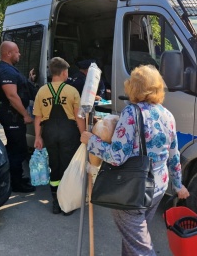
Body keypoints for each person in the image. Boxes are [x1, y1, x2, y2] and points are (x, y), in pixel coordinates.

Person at [81, 64, 190, 255]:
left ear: (133, 87)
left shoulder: (131, 113)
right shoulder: (168, 115)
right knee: (133, 239)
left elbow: (117, 156)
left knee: (140, 247)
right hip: (157, 188)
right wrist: (178, 184)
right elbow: (174, 155)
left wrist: (92, 142)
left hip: (133, 190)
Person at [33, 57, 86, 215]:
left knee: (54, 167)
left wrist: (38, 137)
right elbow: (79, 117)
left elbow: (38, 117)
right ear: (64, 73)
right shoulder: (72, 91)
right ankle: (66, 204)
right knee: (67, 167)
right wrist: (83, 134)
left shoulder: (42, 91)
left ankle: (55, 202)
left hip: (49, 132)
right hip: (68, 132)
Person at [0, 40, 37, 193]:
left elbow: (19, 88)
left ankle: (16, 178)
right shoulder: (6, 71)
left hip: (13, 115)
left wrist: (29, 80)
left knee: (16, 148)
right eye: (17, 51)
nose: (20, 54)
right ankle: (16, 184)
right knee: (17, 150)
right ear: (8, 53)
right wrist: (25, 115)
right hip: (12, 115)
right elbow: (12, 96)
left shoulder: (10, 69)